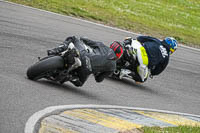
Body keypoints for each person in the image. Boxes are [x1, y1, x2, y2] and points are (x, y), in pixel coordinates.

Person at [47, 36, 123, 87]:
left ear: (111, 45)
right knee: (79, 83)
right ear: (119, 55)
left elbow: (87, 40)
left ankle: (55, 51)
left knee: (73, 38)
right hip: (86, 70)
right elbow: (99, 79)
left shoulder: (102, 45)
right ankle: (68, 76)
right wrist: (96, 72)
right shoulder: (113, 67)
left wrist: (83, 38)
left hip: (82, 55)